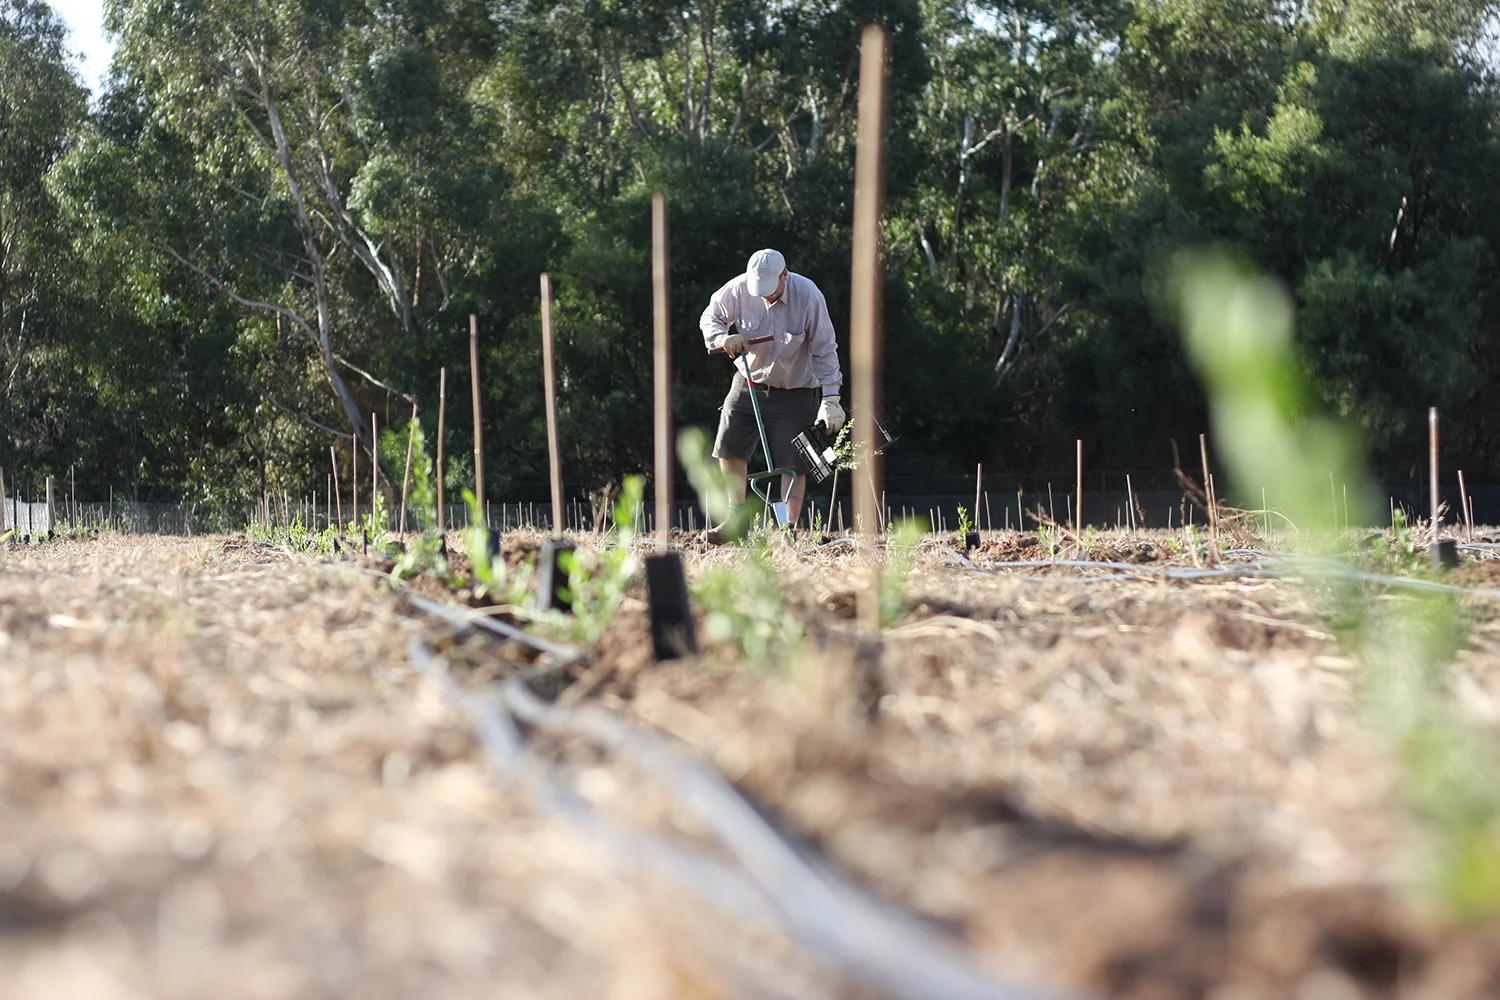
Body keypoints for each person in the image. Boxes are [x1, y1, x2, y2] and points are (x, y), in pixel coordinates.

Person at [700, 248, 845, 541]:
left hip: (797, 388)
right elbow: (710, 317)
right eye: (759, 288)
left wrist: (831, 398)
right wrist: (723, 338)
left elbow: (824, 348)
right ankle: (735, 521)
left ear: (785, 276)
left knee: (795, 462)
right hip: (750, 380)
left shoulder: (808, 295)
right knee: (729, 442)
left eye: (770, 288)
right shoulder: (738, 288)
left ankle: (786, 529)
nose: (765, 295)